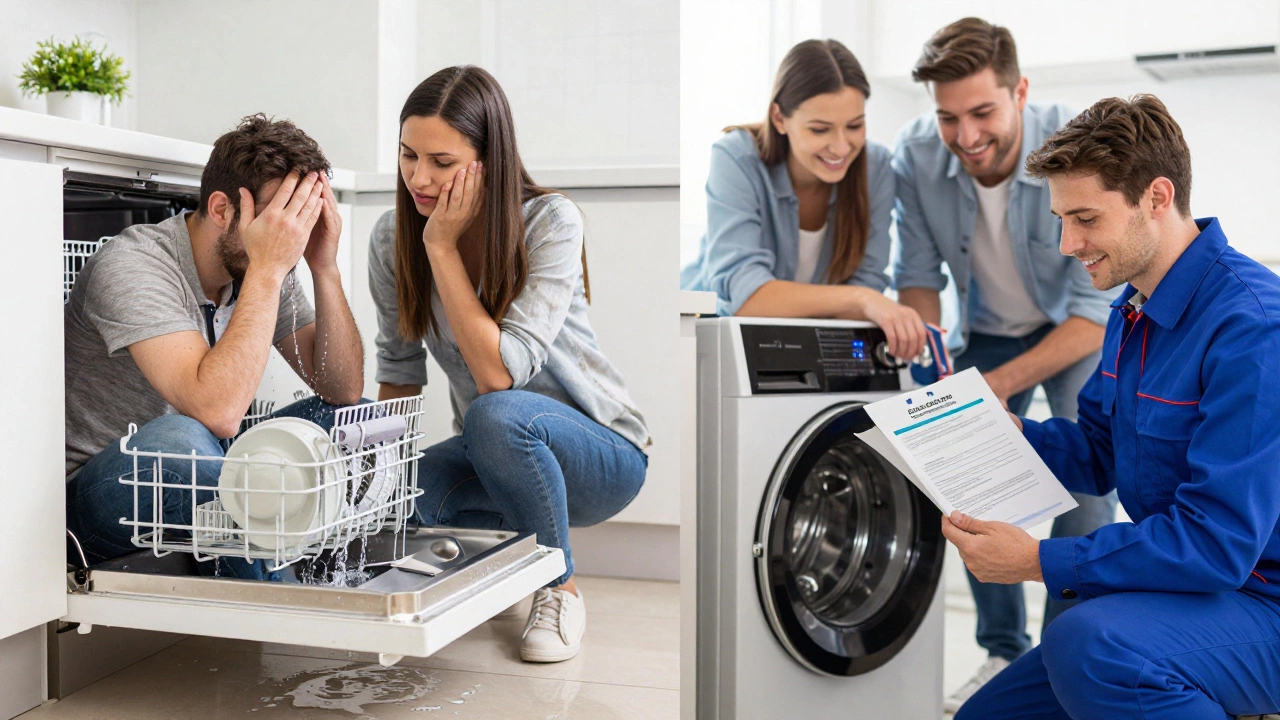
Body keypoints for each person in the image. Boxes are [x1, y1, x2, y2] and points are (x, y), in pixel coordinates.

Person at [943, 94, 1280, 719]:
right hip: (1190, 593)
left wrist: (1036, 561)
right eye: (1060, 219)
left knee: (1088, 641)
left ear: (1156, 197)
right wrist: (1004, 433)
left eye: (1086, 218)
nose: (1068, 243)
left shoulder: (1254, 328)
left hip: (1262, 603)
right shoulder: (1131, 311)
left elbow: (1216, 544)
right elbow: (1100, 455)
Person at [368, 66, 650, 663]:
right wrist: (380, 486)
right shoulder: (391, 237)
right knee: (395, 505)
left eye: (442, 163)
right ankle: (503, 566)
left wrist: (440, 246)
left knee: (495, 414)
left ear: (488, 161)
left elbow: (501, 375)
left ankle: (557, 586)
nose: (420, 177)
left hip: (600, 455)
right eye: (408, 155)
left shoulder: (551, 221)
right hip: (492, 452)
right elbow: (399, 371)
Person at [891, 18, 1119, 708]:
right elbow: (920, 276)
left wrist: (991, 388)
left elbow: (1092, 315)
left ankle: (1061, 654)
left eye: (983, 112)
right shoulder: (918, 155)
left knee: (1087, 481)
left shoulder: (1071, 147)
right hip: (985, 329)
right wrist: (931, 369)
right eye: (948, 118)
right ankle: (1001, 652)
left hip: (1068, 331)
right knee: (968, 475)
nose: (965, 137)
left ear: (1020, 92)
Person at [64, 114, 366, 579]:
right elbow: (218, 412)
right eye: (279, 219)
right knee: (184, 444)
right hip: (102, 489)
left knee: (351, 420)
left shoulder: (262, 263)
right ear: (223, 209)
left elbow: (340, 387)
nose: (290, 236)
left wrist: (324, 267)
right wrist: (269, 268)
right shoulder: (134, 263)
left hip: (210, 467)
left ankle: (318, 585)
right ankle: (292, 614)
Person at [681, 38, 926, 360]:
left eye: (855, 125)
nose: (840, 148)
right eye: (820, 130)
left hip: (807, 346)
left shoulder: (875, 167)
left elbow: (869, 280)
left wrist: (864, 299)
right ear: (780, 118)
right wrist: (861, 299)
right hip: (706, 341)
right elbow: (747, 297)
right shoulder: (737, 157)